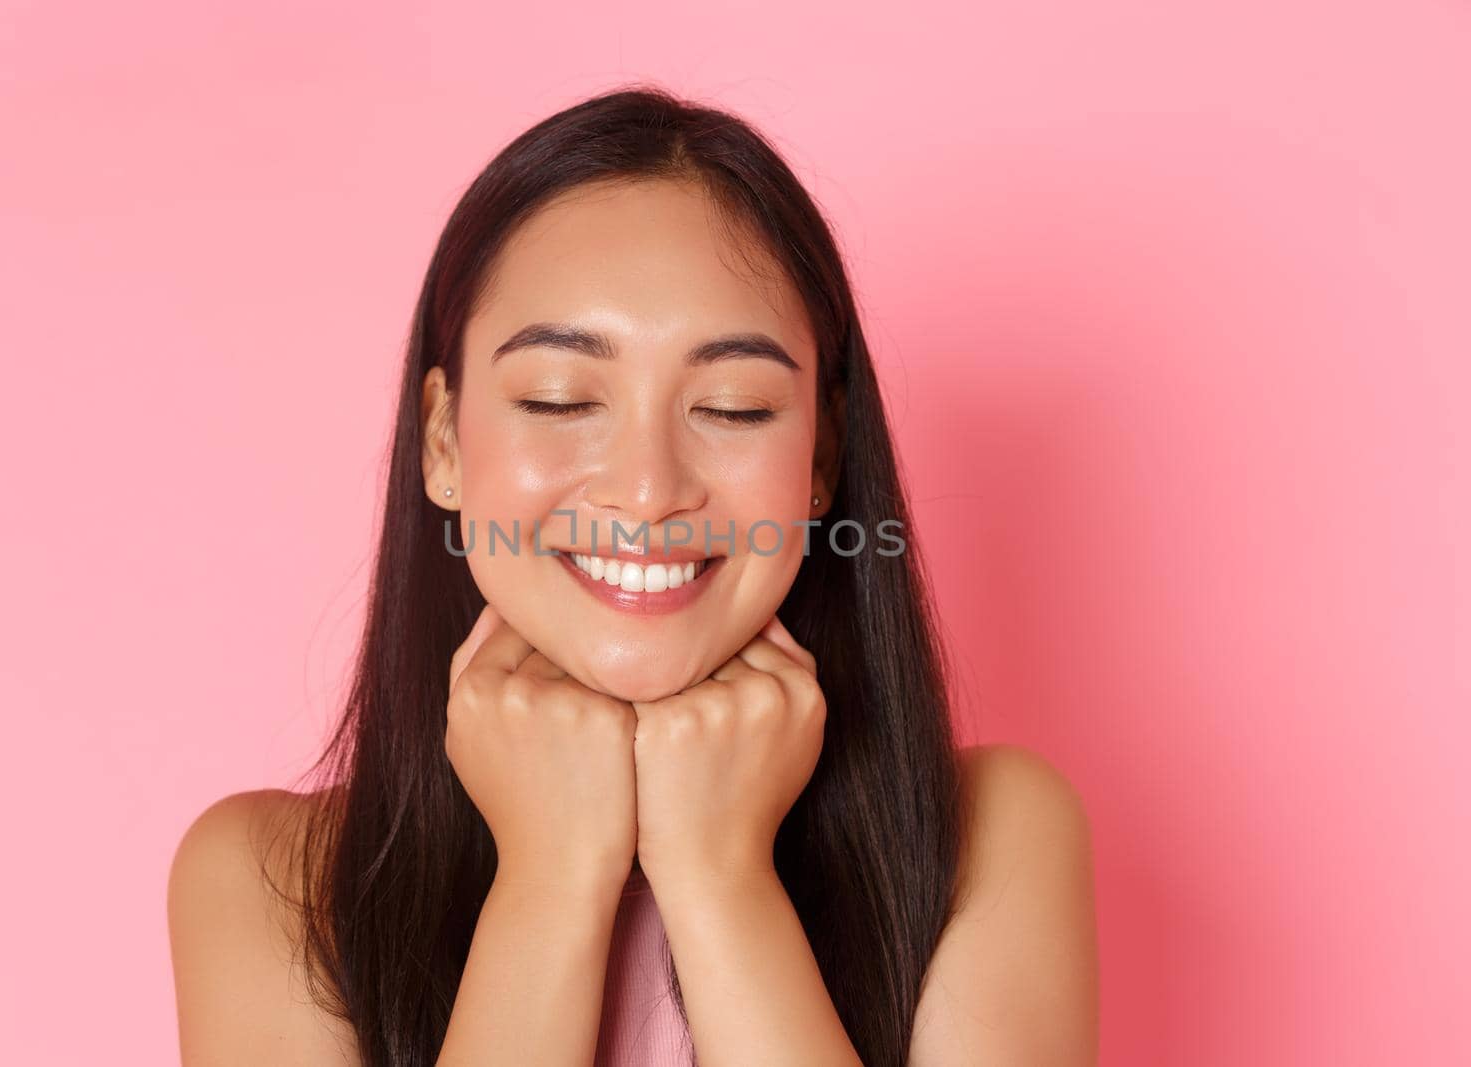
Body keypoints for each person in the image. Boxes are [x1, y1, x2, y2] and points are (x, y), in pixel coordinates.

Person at [166, 84, 1098, 1066]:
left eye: (733, 407)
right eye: (560, 398)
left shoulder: (989, 835)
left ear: (821, 458)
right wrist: (551, 875)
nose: (648, 491)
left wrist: (720, 878)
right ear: (443, 436)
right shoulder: (271, 881)